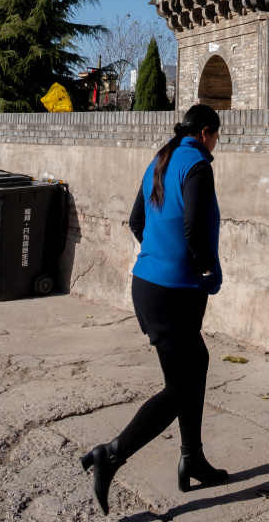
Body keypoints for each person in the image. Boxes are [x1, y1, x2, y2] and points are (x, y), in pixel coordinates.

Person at [80, 103, 228, 514]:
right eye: (215, 137)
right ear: (204, 133)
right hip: (174, 293)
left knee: (189, 371)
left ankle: (192, 457)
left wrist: (159, 256)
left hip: (149, 286)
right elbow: (195, 229)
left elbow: (136, 221)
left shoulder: (159, 161)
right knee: (183, 384)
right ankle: (111, 455)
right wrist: (206, 270)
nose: (215, 144)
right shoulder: (196, 164)